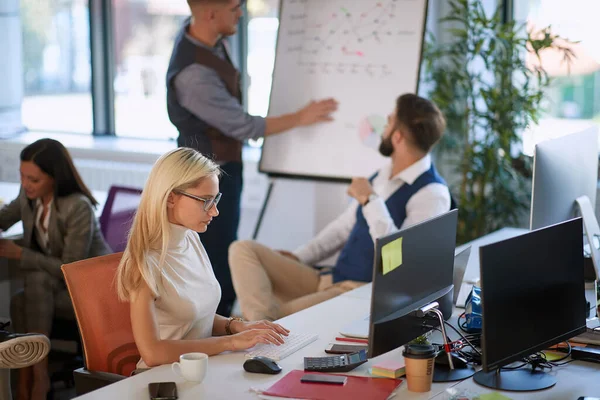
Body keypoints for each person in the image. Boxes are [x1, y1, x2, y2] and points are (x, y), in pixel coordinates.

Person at [166, 0, 338, 316]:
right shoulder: (193, 74)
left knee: (224, 243)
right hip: (203, 177)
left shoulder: (209, 41)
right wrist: (301, 117)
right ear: (210, 14)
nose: (241, 13)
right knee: (215, 253)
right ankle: (215, 329)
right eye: (234, 7)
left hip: (222, 168)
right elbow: (245, 125)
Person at [229, 93, 452, 321]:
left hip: (359, 291)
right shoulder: (383, 174)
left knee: (275, 318)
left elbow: (398, 264)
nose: (384, 124)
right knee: (243, 249)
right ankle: (259, 327)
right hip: (329, 279)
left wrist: (370, 200)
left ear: (397, 137)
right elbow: (344, 227)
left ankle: (258, 331)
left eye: (390, 119)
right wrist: (299, 257)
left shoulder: (431, 194)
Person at [116, 148, 289, 369]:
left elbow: (195, 317)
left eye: (215, 198)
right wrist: (230, 342)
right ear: (170, 198)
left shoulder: (191, 239)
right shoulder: (144, 263)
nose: (215, 211)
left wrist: (237, 326)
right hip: (163, 378)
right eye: (205, 200)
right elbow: (152, 353)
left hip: (201, 368)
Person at [0, 138, 111, 400]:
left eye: (34, 179)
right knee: (19, 301)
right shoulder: (29, 197)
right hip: (53, 289)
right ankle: (26, 380)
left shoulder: (77, 207)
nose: (26, 184)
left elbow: (70, 268)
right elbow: (4, 218)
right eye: (23, 176)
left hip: (89, 292)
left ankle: (36, 378)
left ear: (54, 177)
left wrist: (21, 254)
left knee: (34, 284)